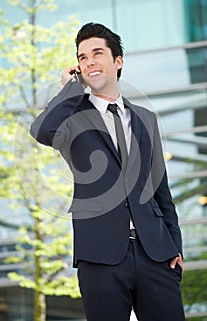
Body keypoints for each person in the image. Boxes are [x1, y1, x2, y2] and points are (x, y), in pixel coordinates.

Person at [30, 23, 185, 321]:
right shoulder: (73, 116)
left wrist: (174, 247)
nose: (89, 61)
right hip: (100, 256)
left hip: (156, 253)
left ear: (118, 61)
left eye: (97, 53)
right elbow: (42, 130)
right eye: (82, 57)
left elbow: (160, 189)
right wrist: (72, 89)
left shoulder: (146, 119)